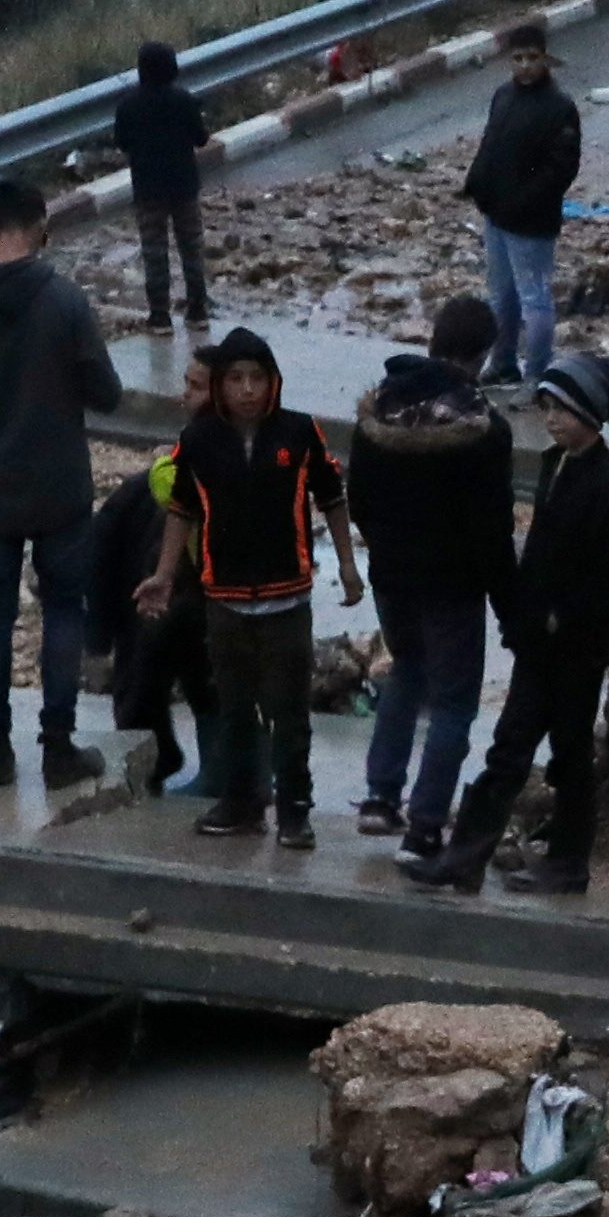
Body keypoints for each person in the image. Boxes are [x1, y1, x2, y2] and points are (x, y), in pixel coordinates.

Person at [409, 355, 609, 899]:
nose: (553, 420)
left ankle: (567, 864)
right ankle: (464, 857)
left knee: (570, 756)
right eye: (549, 408)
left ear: (593, 414)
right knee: (510, 750)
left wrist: (562, 613)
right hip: (541, 644)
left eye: (565, 410)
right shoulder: (556, 463)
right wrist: (523, 614)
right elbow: (539, 553)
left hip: (577, 649)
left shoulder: (606, 483)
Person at [0, 172, 125, 784]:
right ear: (43, 228)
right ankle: (59, 749)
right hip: (59, 488)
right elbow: (108, 394)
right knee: (64, 612)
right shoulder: (64, 301)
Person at [160, 330, 358, 846]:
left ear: (273, 382)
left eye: (256, 378)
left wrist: (348, 565)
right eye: (235, 379)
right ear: (221, 387)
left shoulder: (299, 433)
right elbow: (182, 509)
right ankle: (241, 802)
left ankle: (295, 810)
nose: (247, 389)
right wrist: (161, 576)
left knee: (289, 712)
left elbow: (332, 496)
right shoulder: (199, 442)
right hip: (223, 598)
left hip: (287, 599)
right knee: (234, 708)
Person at [351, 299, 512, 850]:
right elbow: (492, 528)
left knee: (406, 673)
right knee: (453, 703)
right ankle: (424, 825)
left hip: (391, 577)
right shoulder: (482, 427)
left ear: (433, 340)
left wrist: (386, 549)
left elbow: (360, 502)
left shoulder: (378, 412)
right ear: (484, 352)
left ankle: (379, 797)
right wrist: (509, 602)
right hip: (453, 585)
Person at [468, 22, 582, 375]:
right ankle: (502, 361)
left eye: (532, 58)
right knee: (501, 297)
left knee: (534, 300)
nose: (525, 66)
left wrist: (524, 201)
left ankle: (537, 373)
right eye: (517, 58)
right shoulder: (503, 96)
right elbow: (491, 145)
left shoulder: (559, 107)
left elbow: (562, 169)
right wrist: (476, 184)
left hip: (532, 223)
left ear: (545, 59)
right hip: (497, 216)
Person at [79, 466, 190, 798]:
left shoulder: (137, 496)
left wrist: (98, 638)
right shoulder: (140, 496)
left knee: (138, 684)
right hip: (156, 589)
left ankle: (156, 761)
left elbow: (99, 562)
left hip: (145, 592)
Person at [116, 39, 215, 340]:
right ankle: (197, 309)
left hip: (147, 189)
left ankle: (159, 315)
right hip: (183, 185)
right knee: (191, 247)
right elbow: (200, 139)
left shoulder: (128, 105)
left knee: (154, 251)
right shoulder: (184, 100)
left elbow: (122, 142)